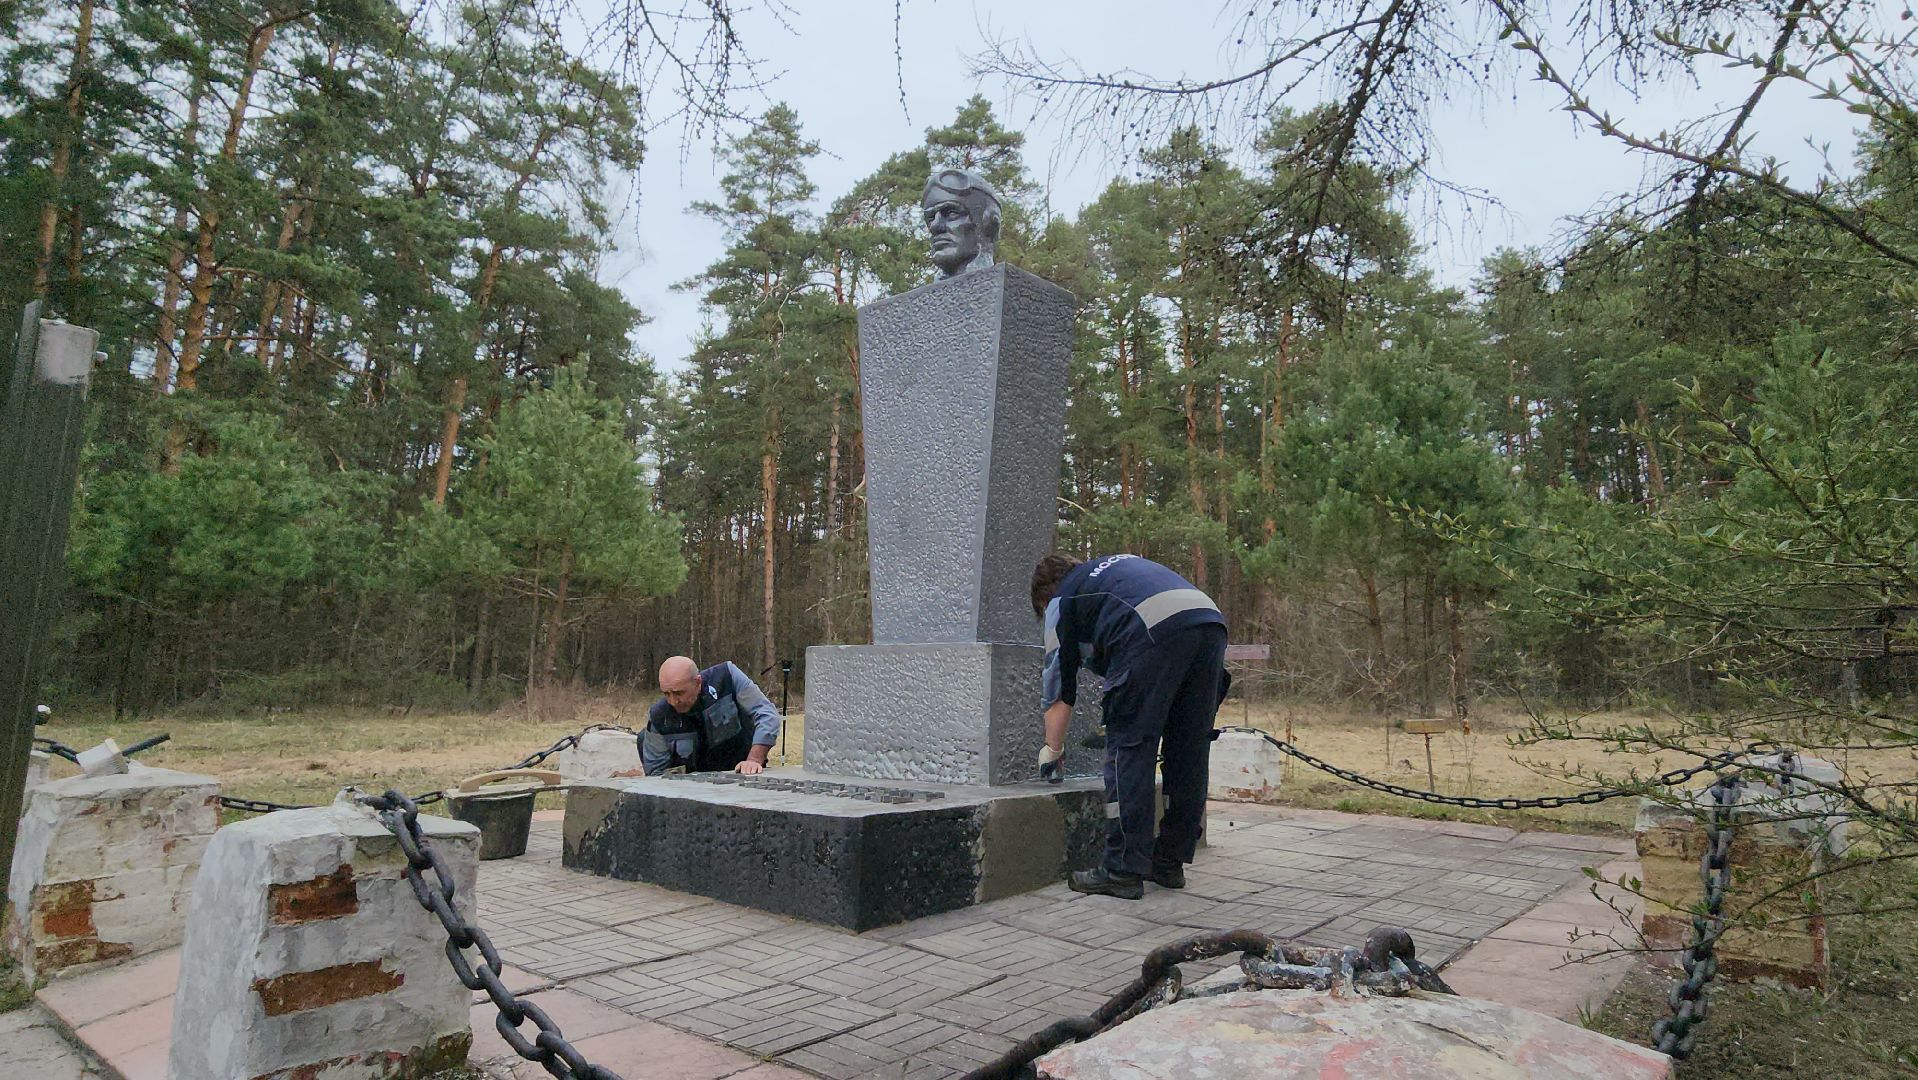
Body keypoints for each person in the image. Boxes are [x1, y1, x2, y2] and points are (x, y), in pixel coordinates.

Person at [1032, 553, 1227, 899]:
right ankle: (1168, 862)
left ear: (1045, 597)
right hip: (1208, 621)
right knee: (1188, 749)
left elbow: (1058, 689)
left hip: (1152, 628)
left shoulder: (1061, 601)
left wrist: (1052, 752)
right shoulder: (1110, 575)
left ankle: (1121, 869)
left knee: (1128, 746)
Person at [639, 656, 782, 776]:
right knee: (643, 737)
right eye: (666, 694)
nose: (673, 701)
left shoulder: (727, 677)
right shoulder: (658, 716)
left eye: (679, 693)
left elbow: (767, 714)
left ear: (698, 682)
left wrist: (754, 760)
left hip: (741, 771)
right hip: (692, 785)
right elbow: (656, 775)